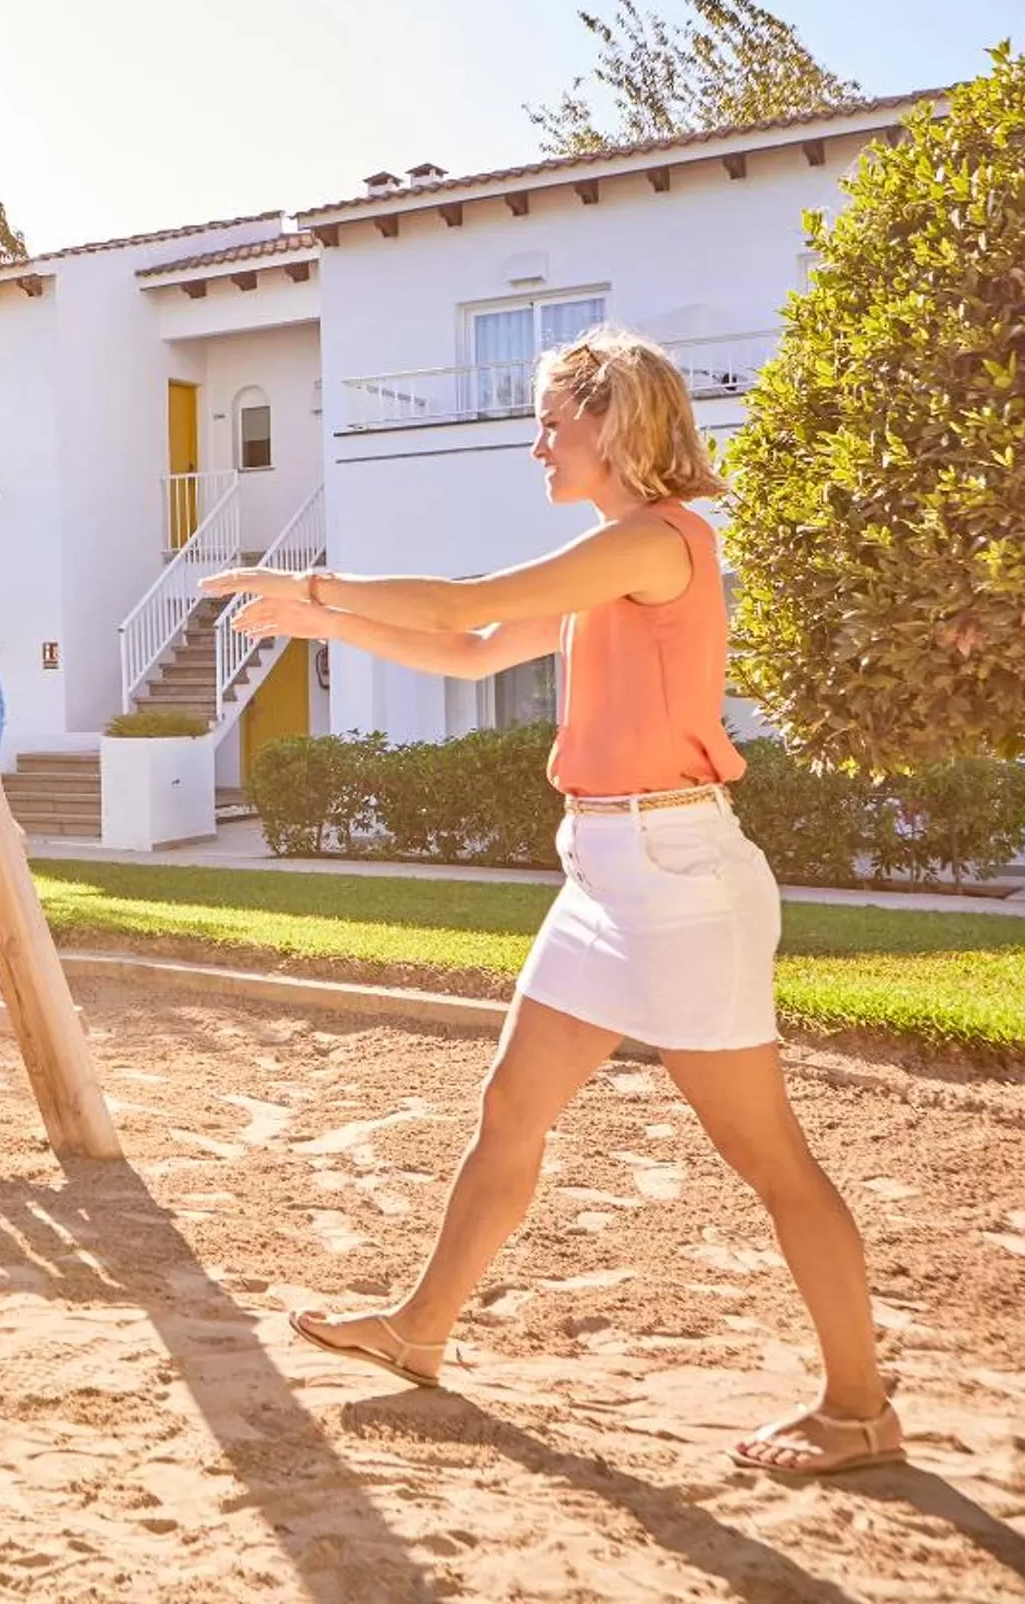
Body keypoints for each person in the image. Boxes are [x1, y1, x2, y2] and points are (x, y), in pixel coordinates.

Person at [201, 328, 900, 1478]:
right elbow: (477, 649)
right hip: (603, 880)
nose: (536, 445)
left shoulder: (659, 544)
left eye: (549, 423)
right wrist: (326, 626)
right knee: (510, 1109)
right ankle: (420, 1331)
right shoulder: (604, 562)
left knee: (769, 1157)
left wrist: (315, 582)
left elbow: (468, 600)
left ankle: (860, 1409)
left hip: (680, 885)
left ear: (611, 421)